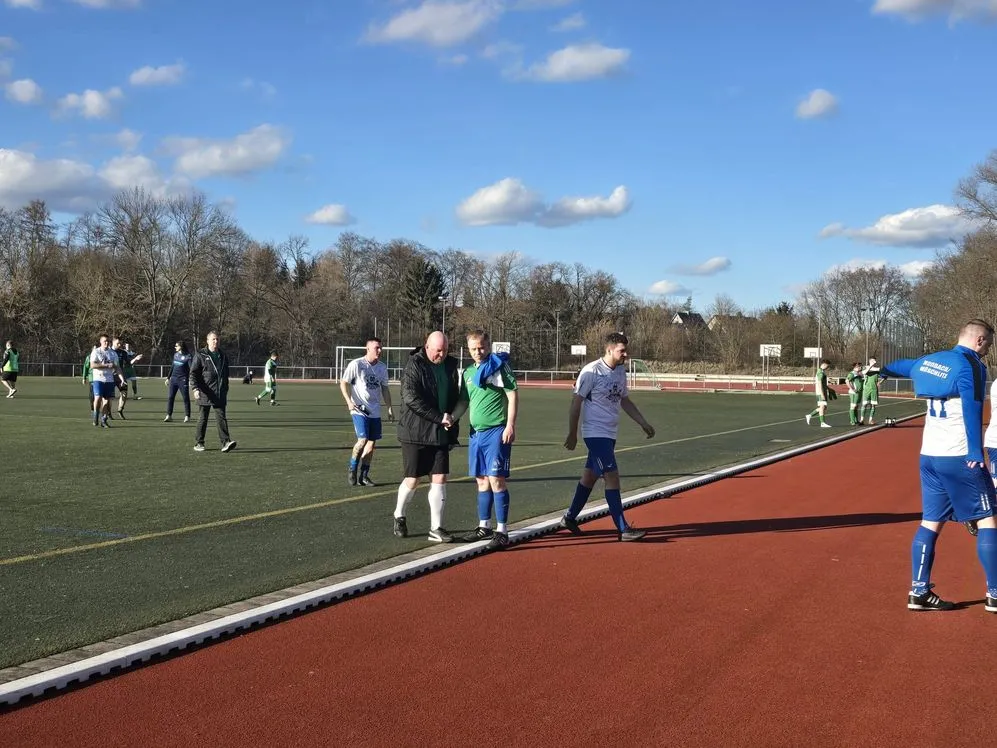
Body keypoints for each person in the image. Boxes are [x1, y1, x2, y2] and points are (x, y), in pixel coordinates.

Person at [880, 319, 997, 613]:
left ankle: (919, 591)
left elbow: (902, 365)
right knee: (987, 520)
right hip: (960, 455)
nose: (987, 351)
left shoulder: (930, 361)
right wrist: (975, 451)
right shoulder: (970, 365)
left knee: (930, 521)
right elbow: (972, 408)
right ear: (980, 341)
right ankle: (995, 593)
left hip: (929, 455)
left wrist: (881, 370)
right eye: (988, 344)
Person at [558, 331, 655, 542]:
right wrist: (573, 433)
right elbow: (576, 403)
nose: (626, 354)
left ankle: (569, 518)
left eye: (626, 350)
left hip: (610, 434)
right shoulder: (591, 371)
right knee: (612, 476)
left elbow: (624, 400)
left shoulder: (620, 372)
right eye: (622, 350)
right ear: (609, 350)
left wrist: (643, 422)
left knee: (590, 476)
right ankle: (623, 529)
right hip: (595, 433)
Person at [392, 331, 462, 543]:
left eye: (445, 350)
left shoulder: (450, 365)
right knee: (413, 480)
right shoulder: (414, 364)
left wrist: (452, 424)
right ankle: (399, 514)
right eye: (438, 350)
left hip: (440, 432)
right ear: (427, 346)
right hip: (414, 431)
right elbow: (411, 398)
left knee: (440, 477)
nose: (442, 354)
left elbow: (453, 397)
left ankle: (436, 528)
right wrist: (439, 417)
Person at [459, 330, 519, 550]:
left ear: (488, 346)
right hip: (476, 433)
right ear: (468, 349)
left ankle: (502, 531)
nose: (478, 352)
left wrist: (510, 425)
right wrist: (451, 418)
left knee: (496, 480)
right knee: (481, 480)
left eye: (482, 347)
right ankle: (484, 525)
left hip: (496, 432)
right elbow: (463, 402)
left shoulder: (499, 367)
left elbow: (512, 395)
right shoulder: (467, 373)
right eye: (474, 349)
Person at [340, 338, 393, 487]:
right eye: (377, 348)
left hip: (375, 410)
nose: (380, 350)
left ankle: (364, 476)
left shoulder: (382, 367)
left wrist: (389, 408)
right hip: (359, 409)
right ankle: (352, 468)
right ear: (368, 348)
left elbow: (385, 388)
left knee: (371, 443)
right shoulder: (357, 364)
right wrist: (349, 402)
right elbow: (344, 382)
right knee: (362, 440)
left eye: (381, 348)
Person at [189, 330, 237, 453]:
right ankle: (199, 442)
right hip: (205, 392)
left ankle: (226, 442)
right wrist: (195, 388)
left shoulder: (223, 355)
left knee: (221, 418)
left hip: (219, 392)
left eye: (217, 339)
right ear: (208, 341)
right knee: (203, 418)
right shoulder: (200, 354)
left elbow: (225, 374)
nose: (216, 341)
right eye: (213, 339)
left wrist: (225, 388)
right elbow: (193, 374)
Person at [89, 335, 124, 428]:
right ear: (100, 342)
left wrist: (122, 379)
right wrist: (106, 365)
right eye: (105, 341)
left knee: (107, 401)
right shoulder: (96, 352)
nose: (107, 343)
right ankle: (96, 415)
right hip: (98, 379)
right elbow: (92, 365)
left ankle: (104, 420)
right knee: (98, 398)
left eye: (108, 341)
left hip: (109, 380)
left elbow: (117, 367)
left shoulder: (113, 353)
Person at [164, 340, 192, 423]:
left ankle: (187, 416)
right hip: (174, 379)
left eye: (176, 346)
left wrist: (191, 379)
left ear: (181, 347)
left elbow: (191, 369)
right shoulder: (175, 355)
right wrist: (168, 378)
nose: (175, 347)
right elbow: (172, 366)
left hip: (183, 380)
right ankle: (169, 415)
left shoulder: (188, 356)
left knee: (185, 398)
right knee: (170, 397)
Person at [804, 359, 833, 428]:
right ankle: (822, 423)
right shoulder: (820, 372)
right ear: (824, 364)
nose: (828, 367)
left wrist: (829, 389)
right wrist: (822, 394)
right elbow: (819, 383)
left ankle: (809, 415)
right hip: (820, 392)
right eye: (827, 366)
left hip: (823, 392)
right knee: (822, 407)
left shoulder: (822, 371)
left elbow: (823, 384)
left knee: (823, 407)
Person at [859, 356, 881, 425]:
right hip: (866, 389)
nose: (874, 362)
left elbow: (882, 375)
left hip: (874, 389)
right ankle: (862, 419)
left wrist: (880, 381)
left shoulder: (877, 369)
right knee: (864, 404)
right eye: (872, 361)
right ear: (869, 361)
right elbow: (864, 373)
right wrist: (871, 366)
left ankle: (870, 420)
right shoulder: (865, 367)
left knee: (873, 405)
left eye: (874, 361)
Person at [845, 362, 864, 426]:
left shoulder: (859, 373)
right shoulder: (852, 373)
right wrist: (852, 389)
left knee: (856, 406)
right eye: (859, 366)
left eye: (860, 366)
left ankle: (856, 420)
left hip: (859, 392)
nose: (860, 367)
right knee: (853, 406)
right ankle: (852, 421)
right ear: (855, 367)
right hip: (854, 393)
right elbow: (847, 381)